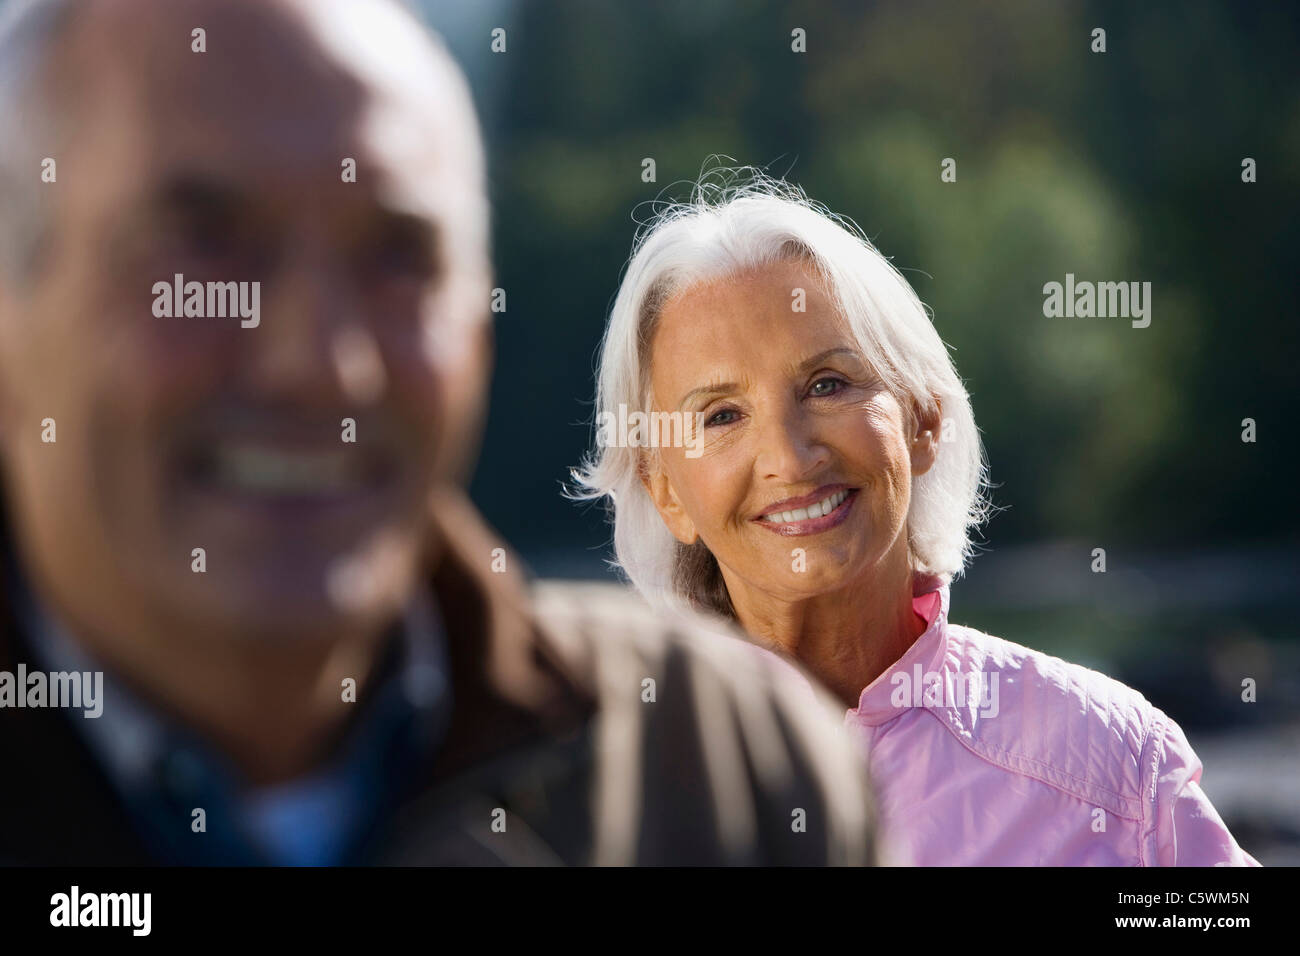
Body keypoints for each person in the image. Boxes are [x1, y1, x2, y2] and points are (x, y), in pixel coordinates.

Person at [0, 0, 878, 866]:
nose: (321, 366)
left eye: (398, 258)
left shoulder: (729, 774)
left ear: (478, 332)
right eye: (206, 244)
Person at [573, 170, 1260, 866]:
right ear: (665, 492)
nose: (788, 454)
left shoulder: (1118, 769)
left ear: (923, 417)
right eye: (721, 415)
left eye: (828, 384)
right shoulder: (592, 801)